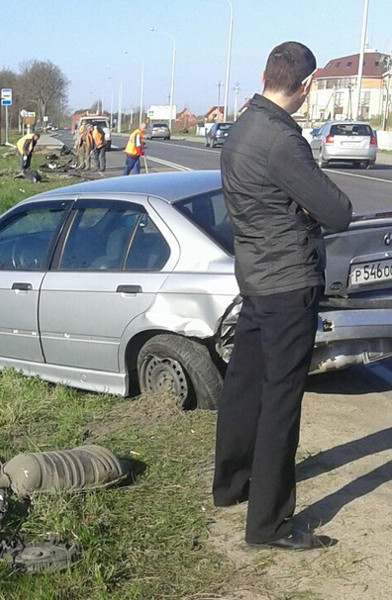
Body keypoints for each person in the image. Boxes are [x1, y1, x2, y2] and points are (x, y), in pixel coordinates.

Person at [212, 41, 353, 551]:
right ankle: (268, 524)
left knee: (244, 387)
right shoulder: (280, 140)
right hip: (287, 285)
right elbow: (338, 211)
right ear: (308, 84)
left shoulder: (243, 126)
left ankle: (230, 484)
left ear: (264, 73)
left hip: (255, 278)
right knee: (280, 401)